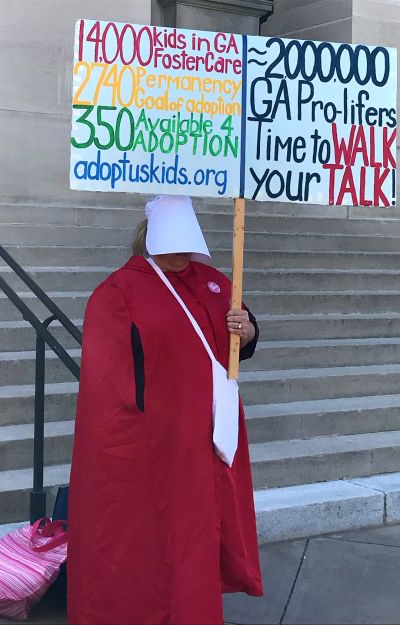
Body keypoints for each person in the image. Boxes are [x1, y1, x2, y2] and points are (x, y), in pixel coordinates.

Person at [67, 195, 263, 624]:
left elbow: (239, 340)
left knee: (195, 532)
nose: (179, 255)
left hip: (207, 431)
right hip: (154, 435)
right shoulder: (118, 290)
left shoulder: (214, 282)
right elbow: (107, 379)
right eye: (170, 246)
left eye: (184, 246)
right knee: (150, 534)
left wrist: (246, 333)